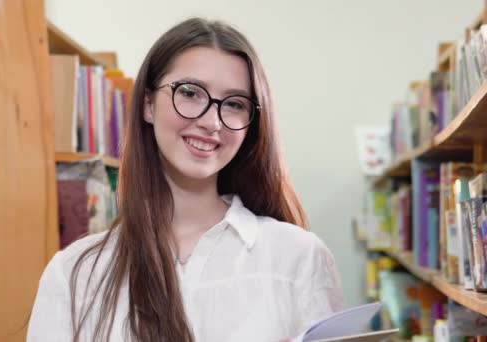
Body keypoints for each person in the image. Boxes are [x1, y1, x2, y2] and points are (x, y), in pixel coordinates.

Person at [27, 17, 344, 342]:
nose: (211, 121)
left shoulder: (300, 258)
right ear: (148, 105)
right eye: (190, 93)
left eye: (234, 104)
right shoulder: (75, 273)